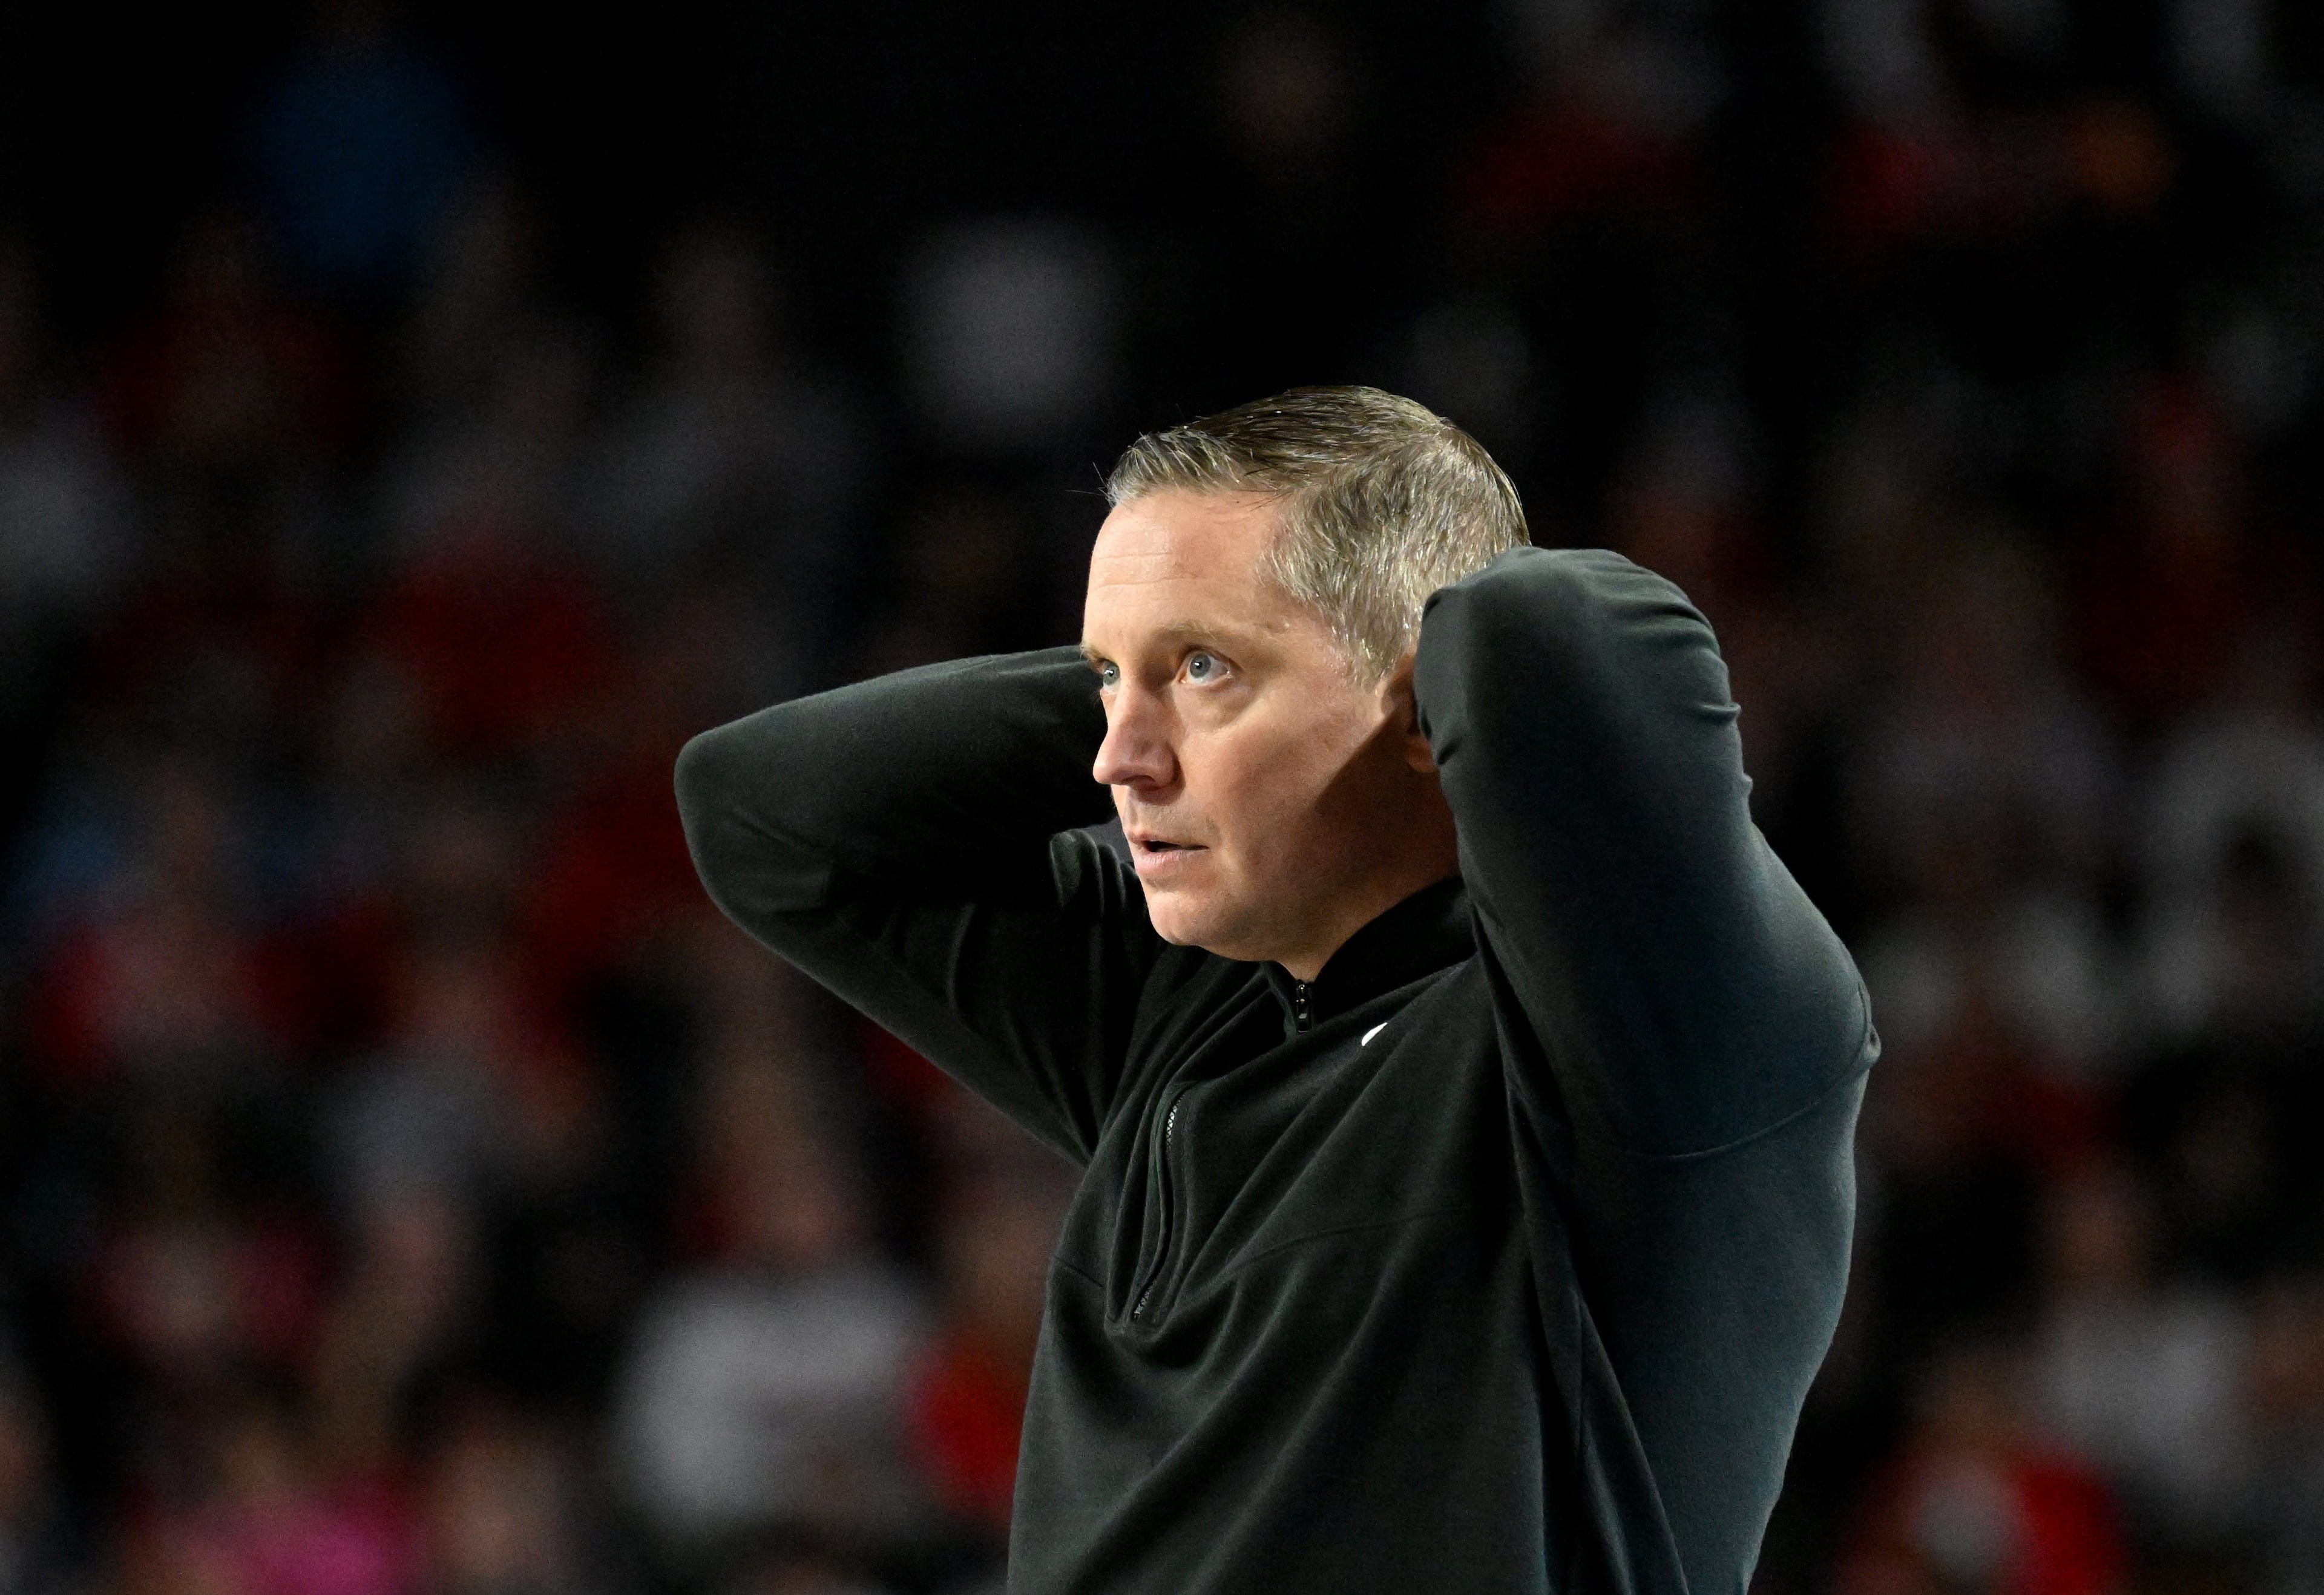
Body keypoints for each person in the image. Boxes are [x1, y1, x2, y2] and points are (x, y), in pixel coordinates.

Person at [675, 386, 1877, 1593]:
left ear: (1421, 704)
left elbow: (1543, 631)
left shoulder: (1642, 1041)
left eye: (1206, 669)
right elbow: (763, 816)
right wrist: (1180, 663)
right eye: (1107, 681)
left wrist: (1317, 655)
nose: (1115, 760)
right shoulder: (1182, 1008)